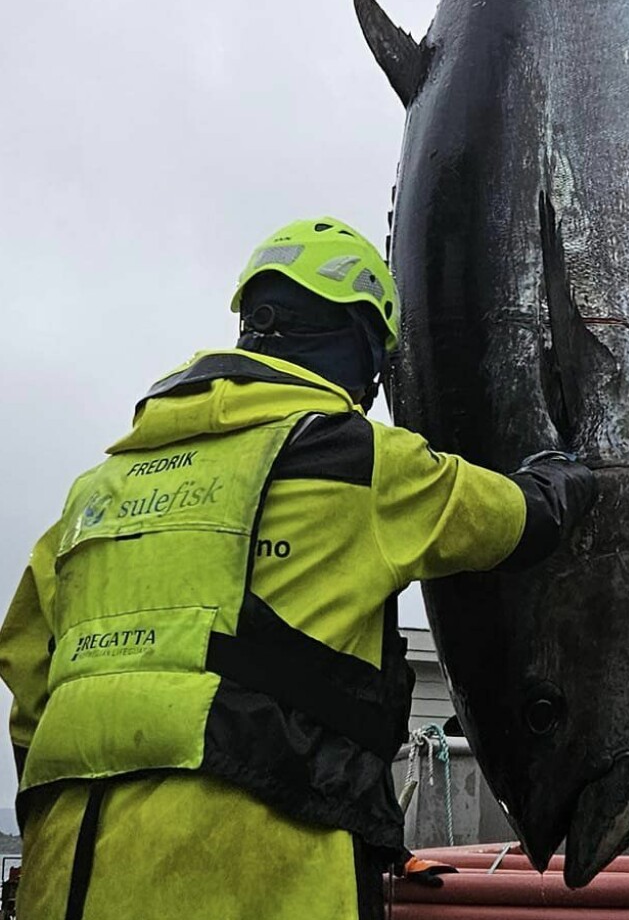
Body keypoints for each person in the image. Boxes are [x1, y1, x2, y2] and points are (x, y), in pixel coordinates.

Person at [0, 217, 598, 920]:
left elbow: (27, 675)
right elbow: (520, 520)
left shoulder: (94, 493)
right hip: (258, 870)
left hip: (66, 867)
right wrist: (566, 475)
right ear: (362, 341)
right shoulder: (354, 458)